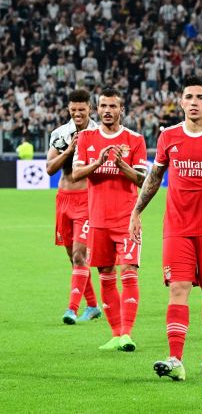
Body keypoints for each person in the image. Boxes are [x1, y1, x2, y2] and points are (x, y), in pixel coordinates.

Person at [129, 76, 202, 381]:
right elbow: (154, 178)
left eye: (199, 97)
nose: (194, 102)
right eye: (188, 97)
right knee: (178, 288)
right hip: (177, 228)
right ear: (181, 102)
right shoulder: (169, 137)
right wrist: (137, 210)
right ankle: (175, 358)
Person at [73, 87, 147, 352]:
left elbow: (142, 179)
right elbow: (77, 173)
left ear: (121, 110)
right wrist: (99, 161)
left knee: (128, 271)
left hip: (127, 219)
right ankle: (115, 334)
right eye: (103, 106)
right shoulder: (86, 138)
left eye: (112, 106)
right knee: (105, 273)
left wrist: (120, 165)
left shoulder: (134, 139)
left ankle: (127, 333)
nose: (107, 111)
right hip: (98, 220)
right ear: (97, 109)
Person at [46, 89, 101, 324]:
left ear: (90, 108)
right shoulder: (60, 134)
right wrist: (69, 150)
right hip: (64, 199)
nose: (78, 113)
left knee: (80, 255)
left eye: (82, 109)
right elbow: (49, 168)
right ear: (69, 109)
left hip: (86, 199)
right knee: (72, 256)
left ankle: (71, 309)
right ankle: (93, 306)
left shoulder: (99, 134)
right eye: (74, 109)